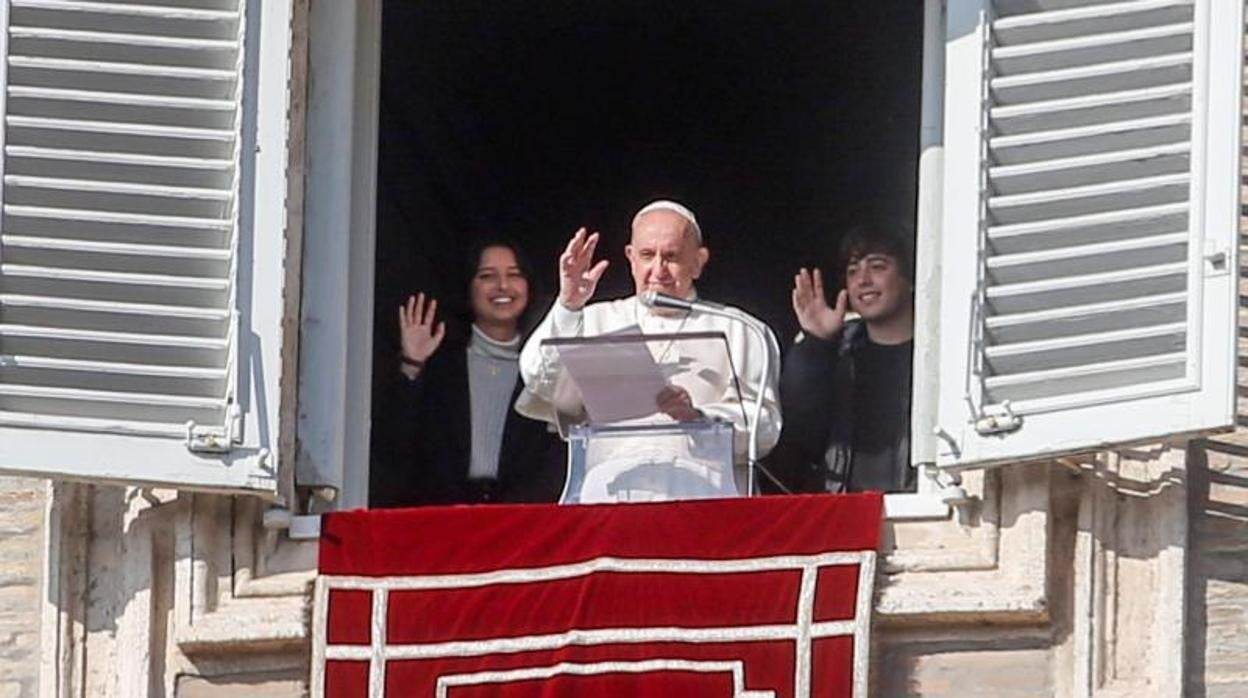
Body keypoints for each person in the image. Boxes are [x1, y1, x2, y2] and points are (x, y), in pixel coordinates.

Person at [516, 200, 782, 493]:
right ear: (630, 257)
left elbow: (764, 429)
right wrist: (567, 305)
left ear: (698, 262)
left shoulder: (740, 329)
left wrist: (697, 417)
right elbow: (538, 380)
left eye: (671, 256)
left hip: (703, 496)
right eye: (647, 255)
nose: (658, 270)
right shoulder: (594, 320)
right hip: (610, 494)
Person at [382, 240, 564, 506]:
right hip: (442, 520)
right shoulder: (441, 364)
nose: (503, 286)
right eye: (487, 276)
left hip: (523, 523)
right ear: (468, 288)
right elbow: (394, 447)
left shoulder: (545, 366)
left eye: (514, 274)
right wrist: (412, 363)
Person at [775, 222, 916, 493]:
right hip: (847, 514)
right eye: (853, 271)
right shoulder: (839, 353)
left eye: (877, 266)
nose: (862, 280)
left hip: (919, 513)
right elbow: (800, 431)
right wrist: (817, 343)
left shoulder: (937, 354)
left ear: (908, 278)